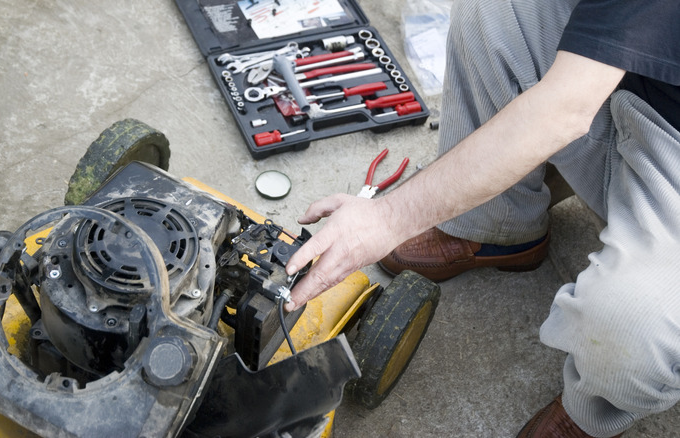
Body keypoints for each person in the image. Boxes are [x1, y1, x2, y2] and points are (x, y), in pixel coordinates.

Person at [284, 1, 680, 437]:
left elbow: (563, 110)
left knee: (628, 324)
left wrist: (385, 219)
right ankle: (498, 228)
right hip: (644, 93)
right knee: (497, 11)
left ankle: (594, 409)